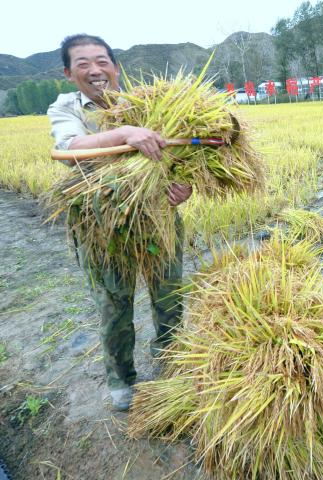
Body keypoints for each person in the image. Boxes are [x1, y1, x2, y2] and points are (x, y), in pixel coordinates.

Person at [47, 34, 193, 411]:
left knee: (170, 298)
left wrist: (183, 187)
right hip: (102, 226)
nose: (95, 71)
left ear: (115, 67)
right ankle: (122, 379)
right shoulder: (67, 108)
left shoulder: (144, 104)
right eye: (83, 64)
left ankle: (171, 361)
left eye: (102, 61)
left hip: (158, 218)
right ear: (68, 73)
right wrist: (126, 133)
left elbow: (177, 158)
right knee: (114, 308)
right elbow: (69, 150)